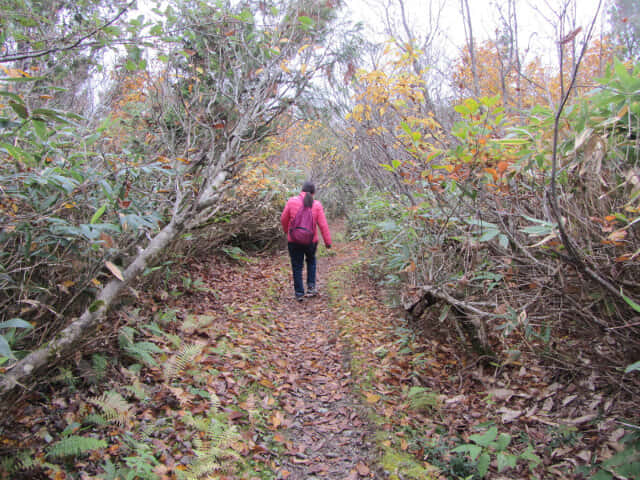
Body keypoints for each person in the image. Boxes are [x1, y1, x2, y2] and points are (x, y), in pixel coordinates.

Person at [281, 181, 332, 301]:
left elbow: (283, 218)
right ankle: (311, 287)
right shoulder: (317, 204)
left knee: (297, 265)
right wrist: (328, 242)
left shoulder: (292, 201)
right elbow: (323, 225)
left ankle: (299, 293)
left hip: (293, 240)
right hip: (311, 241)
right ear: (313, 193)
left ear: (301, 190)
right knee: (311, 261)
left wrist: (286, 231)